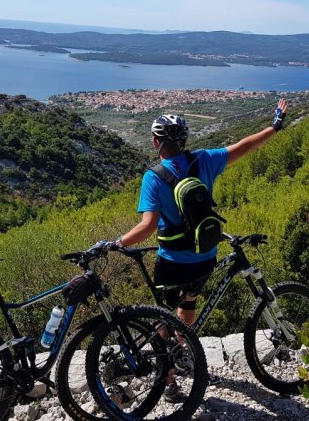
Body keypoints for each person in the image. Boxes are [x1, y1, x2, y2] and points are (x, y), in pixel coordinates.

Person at [105, 98, 289, 401]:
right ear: (184, 140)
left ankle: (170, 381)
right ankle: (183, 344)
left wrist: (117, 243)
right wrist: (275, 125)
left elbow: (148, 227)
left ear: (155, 142)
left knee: (164, 316)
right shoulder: (204, 160)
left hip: (172, 260)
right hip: (205, 256)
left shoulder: (153, 177)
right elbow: (244, 146)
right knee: (189, 303)